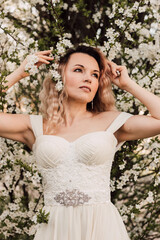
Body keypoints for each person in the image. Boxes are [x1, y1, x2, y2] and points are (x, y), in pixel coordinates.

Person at [1, 45, 160, 240]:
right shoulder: (34, 127)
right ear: (59, 76)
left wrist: (128, 85)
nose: (88, 78)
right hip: (54, 228)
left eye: (95, 75)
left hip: (100, 227)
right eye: (78, 70)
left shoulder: (112, 122)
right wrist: (19, 73)